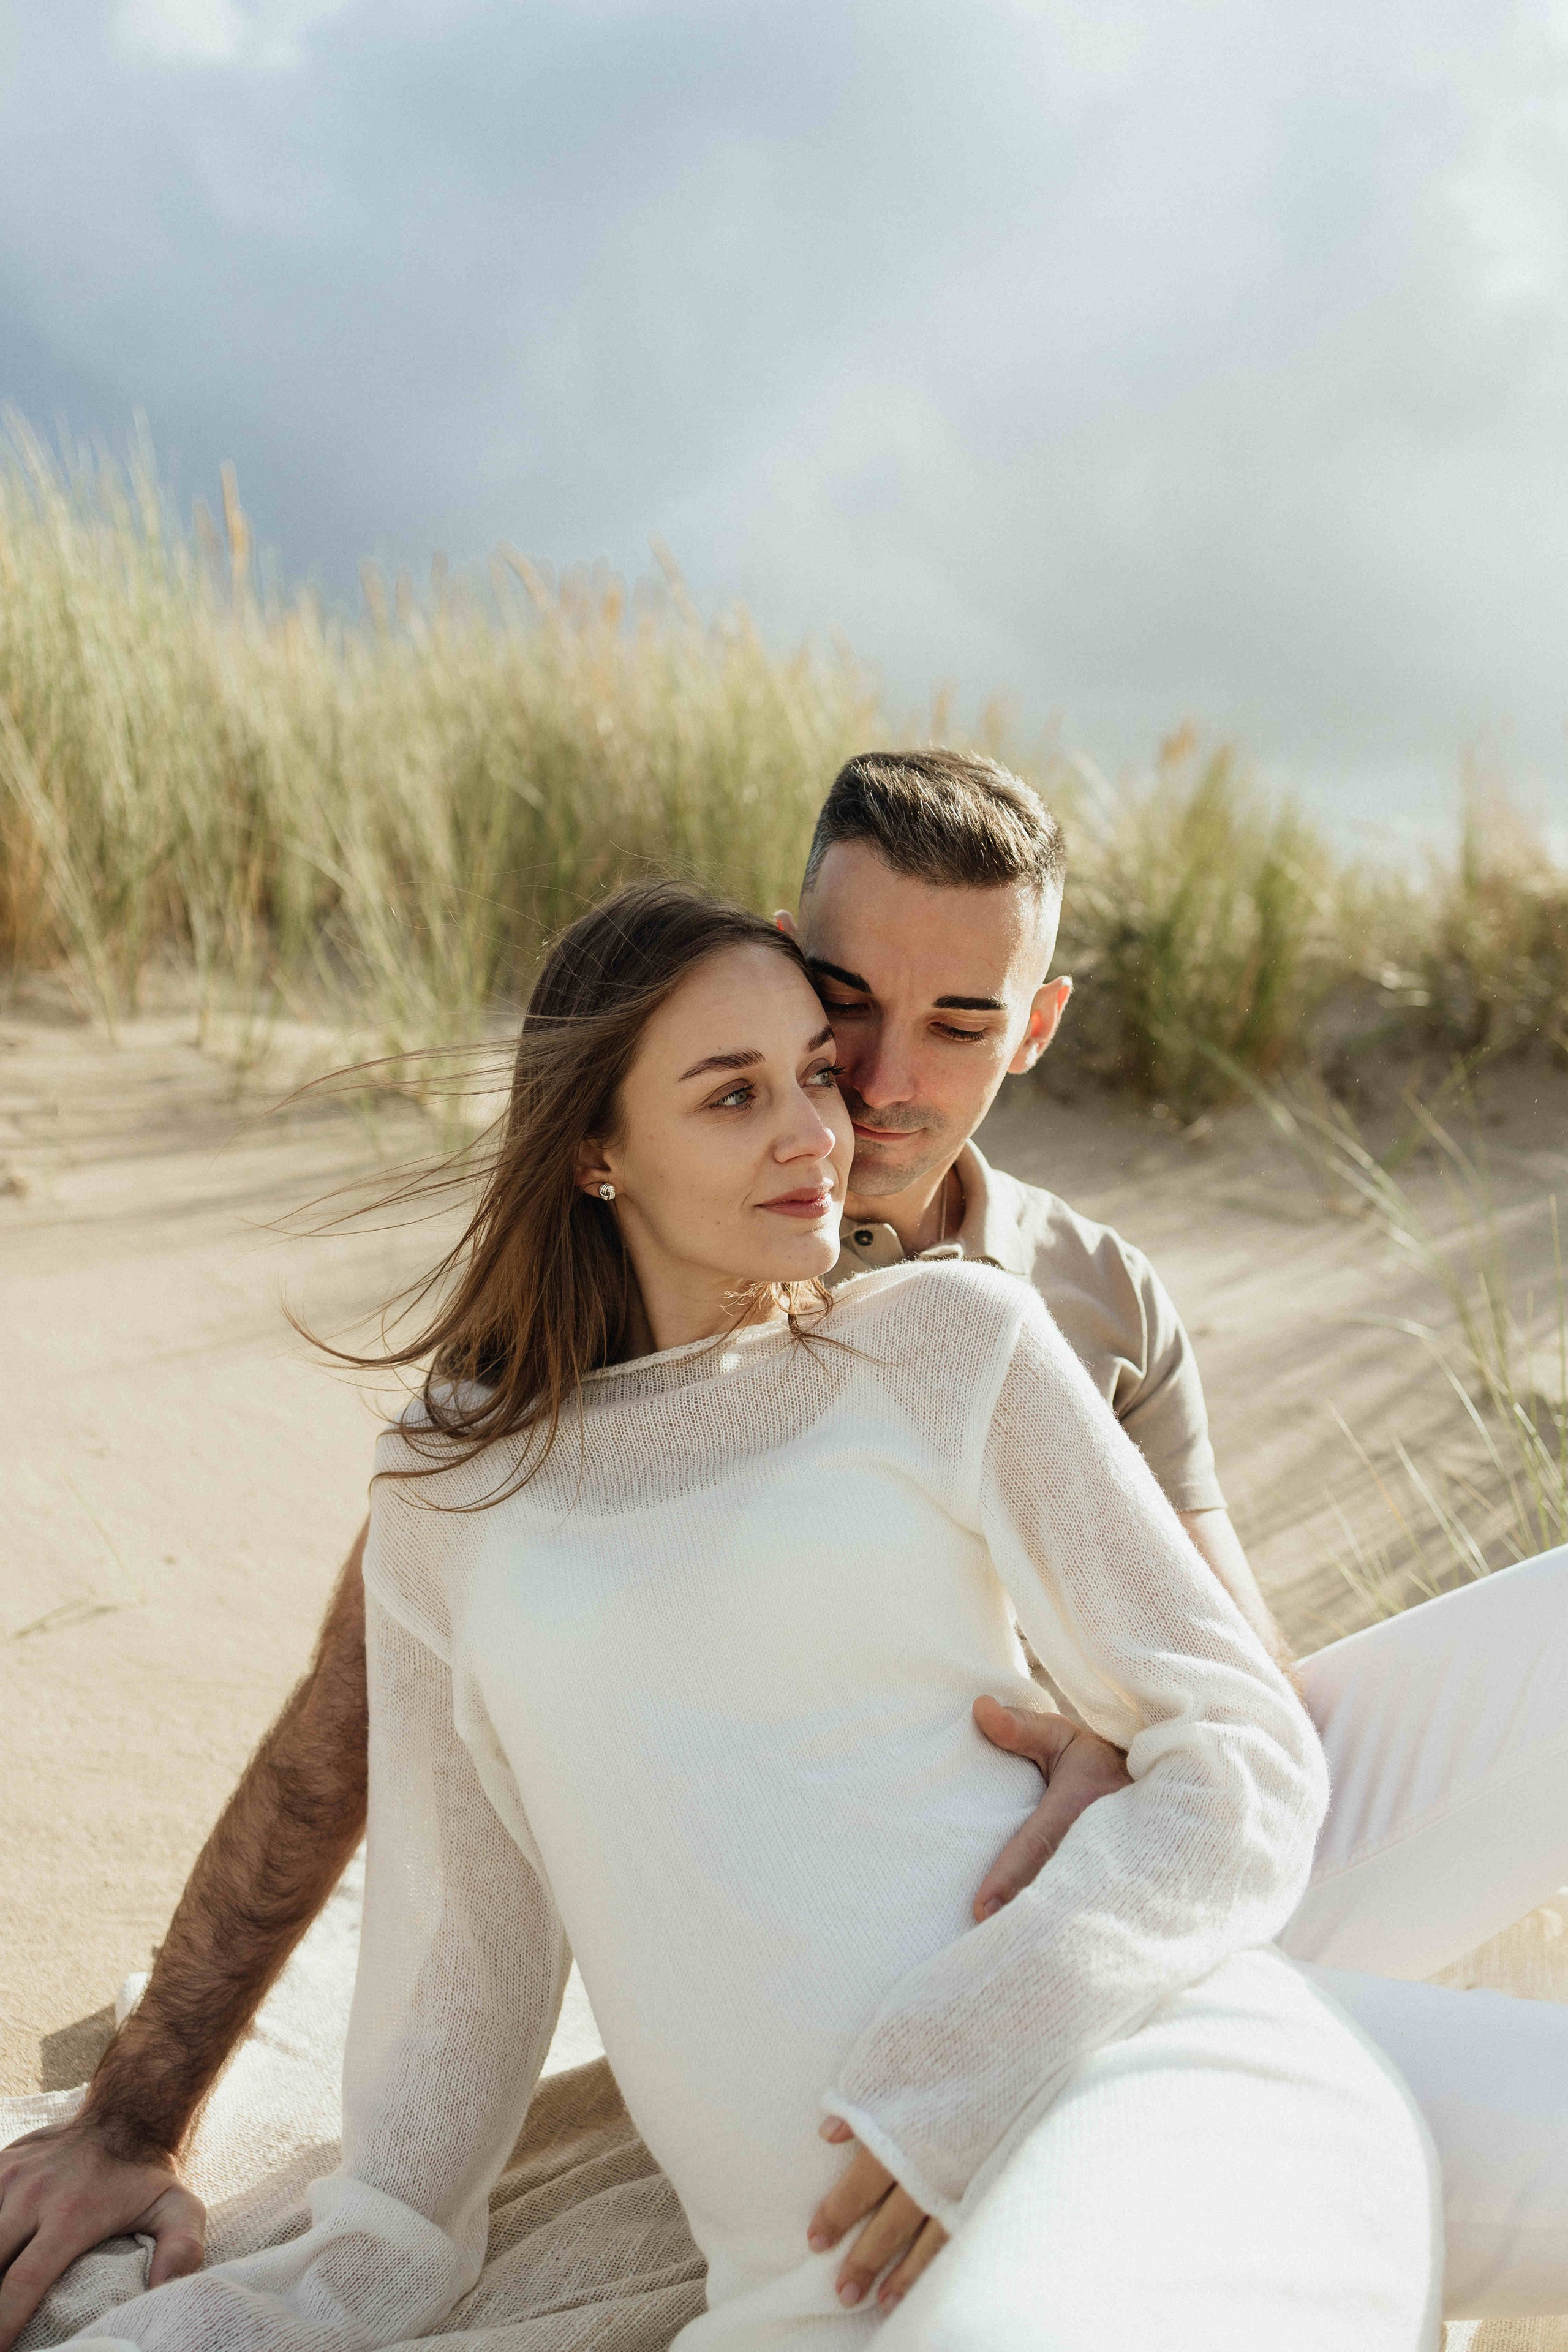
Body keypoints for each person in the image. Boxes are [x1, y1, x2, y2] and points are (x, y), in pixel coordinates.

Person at [3, 750, 1567, 2338]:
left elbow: (1245, 1705)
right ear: (600, 1145)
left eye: (936, 1031)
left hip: (1112, 1927)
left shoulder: (1016, 1312)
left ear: (1036, 1025)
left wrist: (1109, 1778)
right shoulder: (478, 1462)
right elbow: (387, 1830)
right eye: (811, 1039)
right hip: (978, 2078)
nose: (860, 1095)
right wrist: (139, 2121)